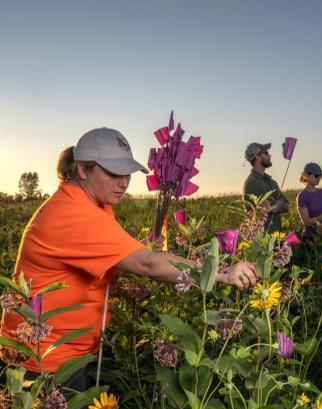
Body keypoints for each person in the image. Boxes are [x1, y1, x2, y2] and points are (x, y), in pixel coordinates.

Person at [0, 127, 258, 391]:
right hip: (44, 358)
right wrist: (222, 273)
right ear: (83, 169)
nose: (123, 182)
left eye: (127, 173)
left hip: (64, 349)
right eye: (112, 173)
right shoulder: (74, 214)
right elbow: (147, 264)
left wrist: (141, 248)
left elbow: (115, 251)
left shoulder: (92, 204)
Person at [242, 142, 289, 233]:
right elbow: (267, 208)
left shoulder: (271, 181)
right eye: (266, 153)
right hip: (262, 241)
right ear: (257, 156)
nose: (269, 155)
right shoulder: (252, 182)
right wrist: (276, 205)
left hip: (276, 238)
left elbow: (286, 206)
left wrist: (276, 205)